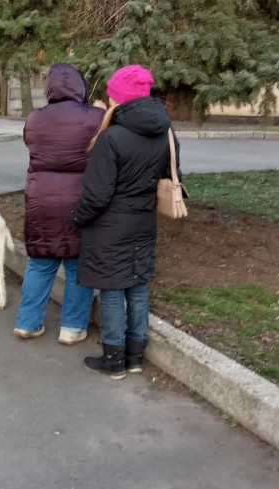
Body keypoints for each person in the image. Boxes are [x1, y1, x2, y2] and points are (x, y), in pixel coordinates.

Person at [70, 64, 181, 378]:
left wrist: (76, 218)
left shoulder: (111, 138)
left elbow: (96, 196)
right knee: (137, 286)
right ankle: (134, 357)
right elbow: (172, 176)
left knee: (112, 290)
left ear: (119, 99)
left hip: (110, 227)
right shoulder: (166, 132)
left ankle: (114, 359)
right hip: (144, 223)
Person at [13, 63, 105, 344]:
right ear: (81, 87)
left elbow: (30, 143)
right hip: (82, 200)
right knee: (78, 266)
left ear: (49, 88)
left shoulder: (35, 118)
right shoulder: (96, 117)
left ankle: (28, 323)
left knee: (40, 263)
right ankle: (72, 328)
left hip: (42, 199)